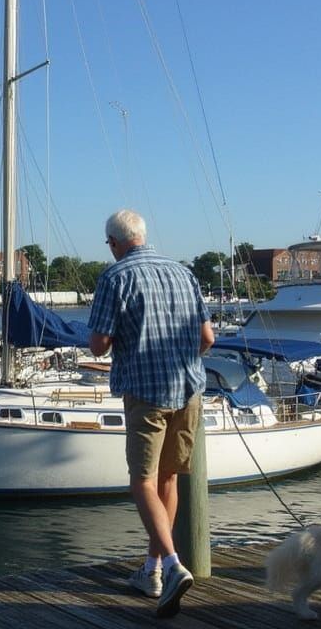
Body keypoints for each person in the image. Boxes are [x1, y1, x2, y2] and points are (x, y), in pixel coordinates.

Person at [87, 209, 214, 619]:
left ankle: (174, 566)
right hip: (189, 390)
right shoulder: (184, 273)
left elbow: (98, 345)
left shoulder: (115, 277)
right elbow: (207, 338)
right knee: (168, 478)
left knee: (142, 482)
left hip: (146, 392)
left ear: (115, 243)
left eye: (109, 245)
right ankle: (153, 569)